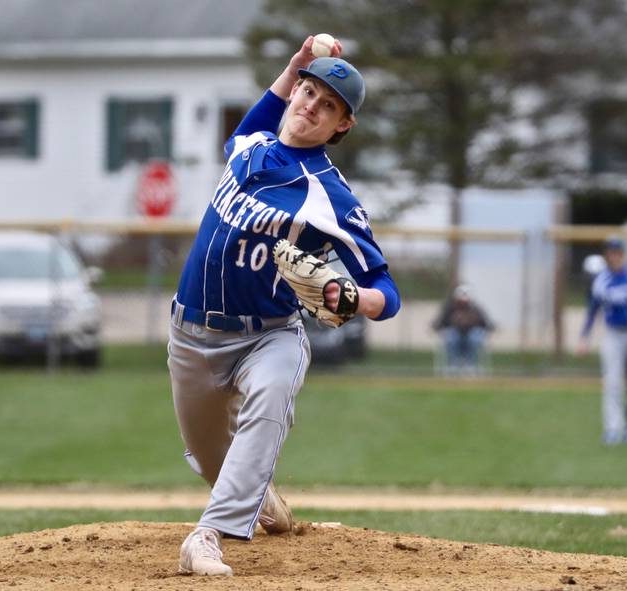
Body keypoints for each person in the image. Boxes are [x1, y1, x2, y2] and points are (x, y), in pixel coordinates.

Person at [167, 36, 401, 576]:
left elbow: (388, 291)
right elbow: (263, 112)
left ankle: (207, 537)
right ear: (295, 89)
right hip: (190, 333)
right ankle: (262, 501)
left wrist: (354, 297)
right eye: (309, 91)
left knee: (269, 400)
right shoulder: (251, 144)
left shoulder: (329, 195)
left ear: (342, 125)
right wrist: (298, 61)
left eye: (328, 106)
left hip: (268, 335)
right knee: (210, 460)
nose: (311, 107)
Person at [578, 237, 627, 446]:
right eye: (610, 252)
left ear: (623, 254)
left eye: (617, 252)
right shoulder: (602, 281)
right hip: (614, 334)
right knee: (612, 382)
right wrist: (584, 337)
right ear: (607, 255)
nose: (614, 256)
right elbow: (593, 311)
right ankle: (613, 428)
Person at [432, 284, 494, 375]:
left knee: (475, 336)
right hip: (456, 337)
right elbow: (439, 323)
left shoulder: (476, 309)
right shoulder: (450, 308)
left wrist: (473, 323)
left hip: (470, 337)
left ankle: (470, 365)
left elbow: (486, 324)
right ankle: (452, 365)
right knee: (451, 336)